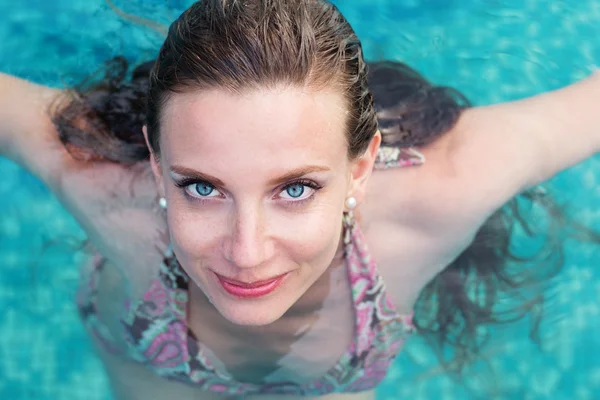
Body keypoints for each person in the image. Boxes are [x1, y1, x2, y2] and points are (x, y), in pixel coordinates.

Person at [0, 0, 599, 399]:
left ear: (359, 168)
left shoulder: (441, 190)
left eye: (295, 188)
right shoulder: (102, 182)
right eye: (202, 187)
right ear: (157, 166)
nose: (247, 252)